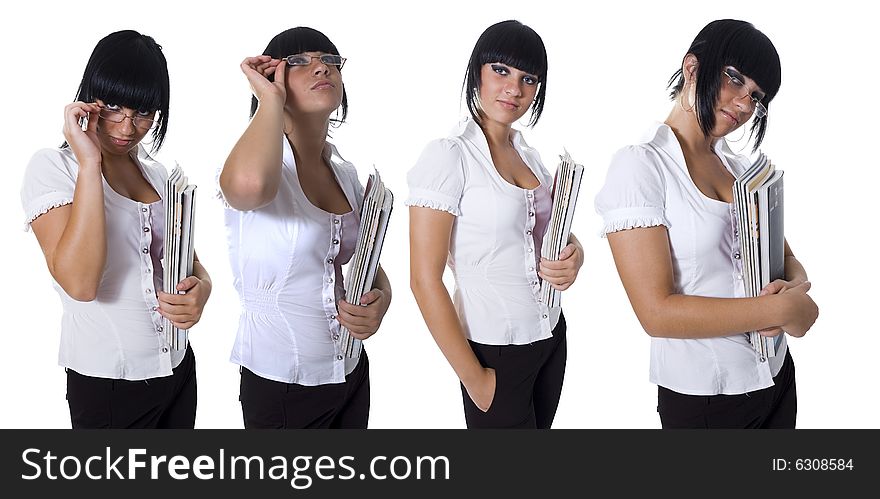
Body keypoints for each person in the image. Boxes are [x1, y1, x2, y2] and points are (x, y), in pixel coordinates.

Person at [595, 19, 819, 428]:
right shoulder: (640, 166)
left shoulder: (740, 171)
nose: (744, 104)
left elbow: (784, 258)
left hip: (776, 377)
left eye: (756, 96)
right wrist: (776, 308)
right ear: (692, 68)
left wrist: (796, 288)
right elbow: (655, 313)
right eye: (735, 79)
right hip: (707, 400)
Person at [20, 30, 212, 429]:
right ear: (90, 96)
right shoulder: (54, 169)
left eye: (143, 112)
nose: (127, 127)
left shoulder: (159, 177)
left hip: (177, 370)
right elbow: (80, 284)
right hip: (108, 383)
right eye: (113, 107)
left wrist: (203, 289)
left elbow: (188, 262)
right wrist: (89, 162)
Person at [407, 20, 583, 429]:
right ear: (477, 72)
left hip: (550, 335)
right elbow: (424, 279)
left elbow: (546, 233)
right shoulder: (448, 156)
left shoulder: (531, 156)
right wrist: (475, 378)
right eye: (500, 71)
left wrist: (575, 254)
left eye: (528, 79)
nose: (514, 89)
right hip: (494, 350)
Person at [219, 27, 391, 429]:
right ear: (272, 79)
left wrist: (381, 300)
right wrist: (270, 100)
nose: (321, 68)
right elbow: (248, 188)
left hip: (349, 372)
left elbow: (365, 261)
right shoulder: (261, 166)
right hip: (283, 386)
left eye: (330, 61)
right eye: (299, 62)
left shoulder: (345, 174)